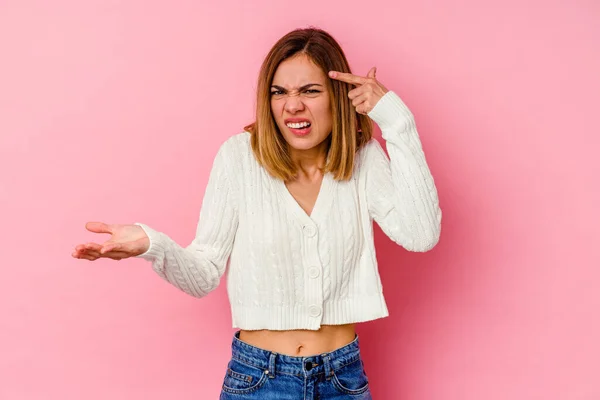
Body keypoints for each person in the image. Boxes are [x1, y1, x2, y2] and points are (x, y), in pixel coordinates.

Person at [72, 27, 442, 399]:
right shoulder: (239, 158)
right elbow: (203, 274)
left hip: (342, 380)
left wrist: (398, 122)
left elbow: (420, 234)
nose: (292, 106)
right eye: (279, 92)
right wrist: (153, 245)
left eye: (309, 91)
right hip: (258, 380)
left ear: (339, 97)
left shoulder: (363, 159)